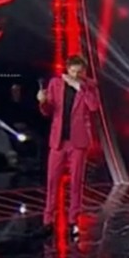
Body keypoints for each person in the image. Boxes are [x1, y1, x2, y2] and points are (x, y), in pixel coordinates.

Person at [39, 55, 101, 237]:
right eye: (72, 71)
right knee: (52, 180)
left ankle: (73, 219)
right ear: (67, 69)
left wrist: (79, 87)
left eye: (79, 72)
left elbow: (93, 107)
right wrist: (42, 102)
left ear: (83, 72)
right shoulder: (55, 83)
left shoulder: (89, 86)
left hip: (78, 141)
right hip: (58, 140)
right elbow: (48, 111)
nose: (75, 75)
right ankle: (48, 219)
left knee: (76, 181)